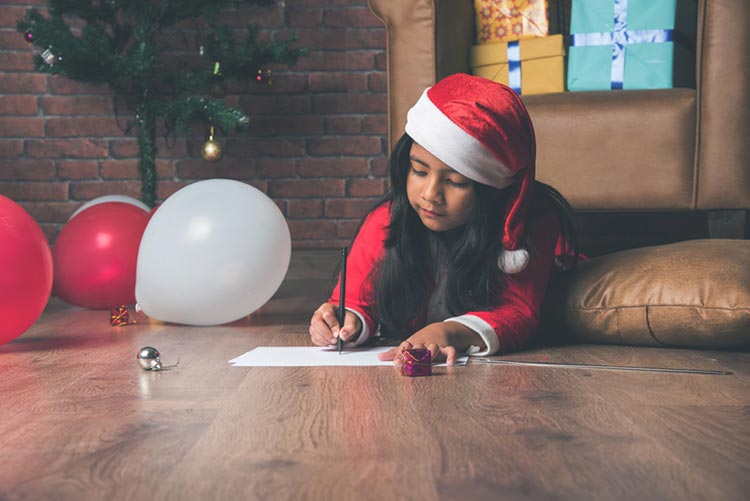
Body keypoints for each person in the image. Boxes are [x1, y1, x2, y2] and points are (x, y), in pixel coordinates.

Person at [308, 73, 579, 365]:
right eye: (419, 171)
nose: (430, 194)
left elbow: (517, 311)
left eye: (455, 182)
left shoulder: (530, 224)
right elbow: (357, 298)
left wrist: (448, 332)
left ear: (491, 190)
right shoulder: (386, 220)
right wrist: (347, 320)